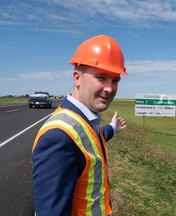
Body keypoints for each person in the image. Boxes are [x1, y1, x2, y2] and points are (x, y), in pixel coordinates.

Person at [32, 35, 128, 216]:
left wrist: (113, 128)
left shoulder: (85, 121)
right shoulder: (58, 137)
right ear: (77, 77)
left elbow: (93, 139)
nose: (109, 88)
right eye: (101, 77)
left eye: (115, 80)